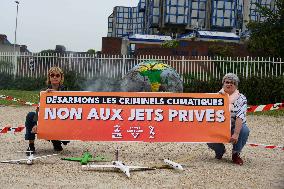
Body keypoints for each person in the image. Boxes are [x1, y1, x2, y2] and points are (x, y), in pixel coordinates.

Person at [207, 73, 250, 165]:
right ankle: (220, 151)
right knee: (206, 133)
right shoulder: (216, 97)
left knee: (244, 130)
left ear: (236, 85)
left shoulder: (241, 98)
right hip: (219, 126)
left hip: (235, 126)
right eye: (227, 82)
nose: (229, 84)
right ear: (223, 83)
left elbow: (240, 116)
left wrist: (236, 134)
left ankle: (236, 154)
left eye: (233, 83)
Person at [25, 67, 69, 154]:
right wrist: (37, 123)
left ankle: (56, 140)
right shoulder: (44, 92)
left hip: (59, 120)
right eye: (52, 75)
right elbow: (40, 108)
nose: (55, 77)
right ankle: (31, 145)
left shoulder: (66, 91)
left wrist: (57, 95)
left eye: (57, 75)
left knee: (57, 118)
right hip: (47, 118)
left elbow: (69, 110)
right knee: (30, 115)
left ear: (61, 77)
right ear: (49, 77)